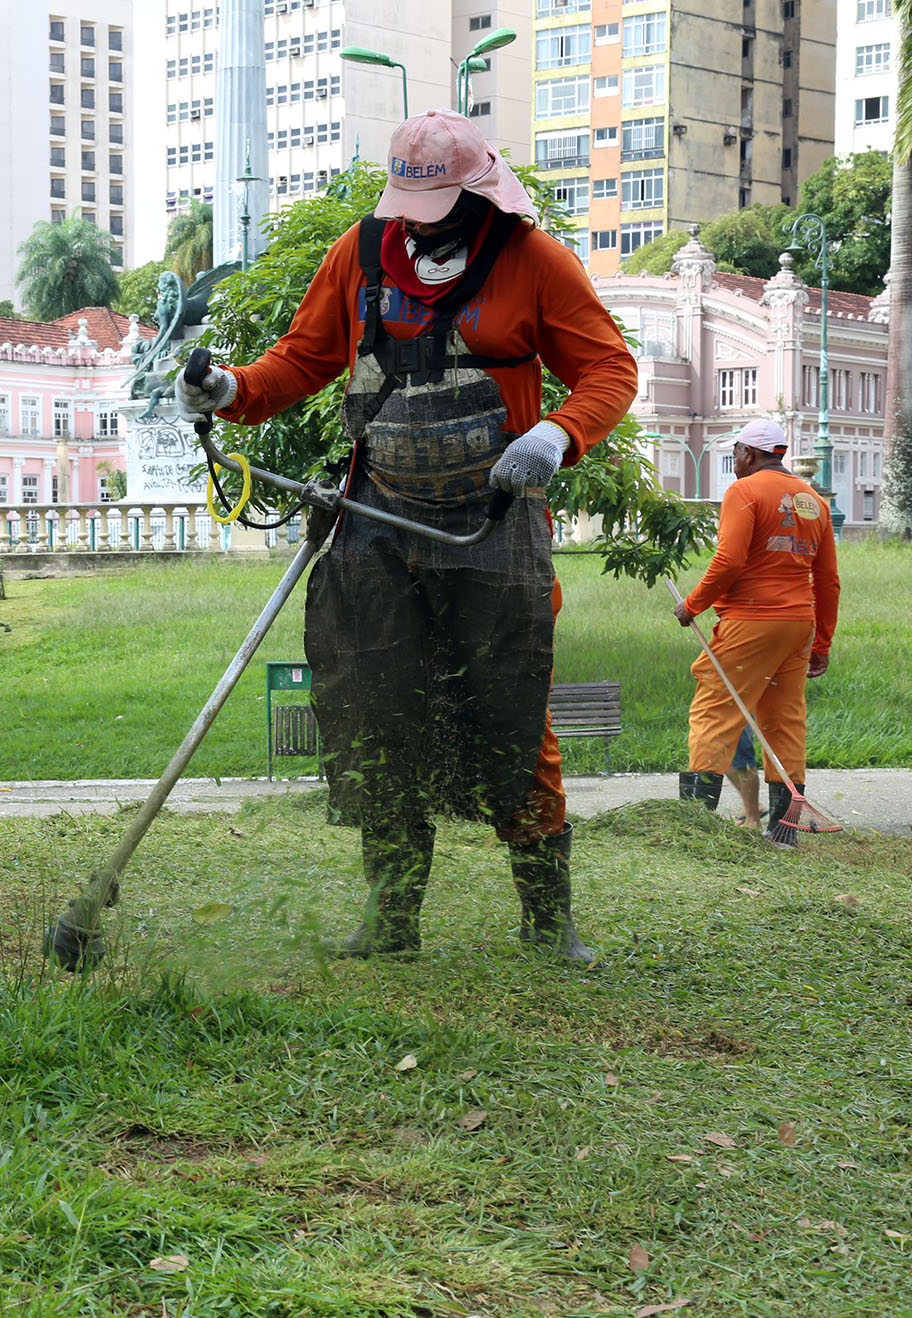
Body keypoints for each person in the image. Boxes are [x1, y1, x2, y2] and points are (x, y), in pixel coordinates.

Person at [177, 110, 638, 962]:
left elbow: (609, 367)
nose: (421, 220)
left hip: (494, 531)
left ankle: (548, 921)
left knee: (512, 710)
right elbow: (302, 359)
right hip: (377, 525)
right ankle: (392, 919)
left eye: (438, 203)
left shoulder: (534, 261)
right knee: (372, 712)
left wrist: (558, 435)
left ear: (477, 191)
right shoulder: (360, 252)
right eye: (410, 203)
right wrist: (234, 388)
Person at [675, 418, 839, 844]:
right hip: (797, 626)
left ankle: (694, 827)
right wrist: (822, 641)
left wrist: (691, 605)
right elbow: (827, 580)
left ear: (749, 453)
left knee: (715, 710)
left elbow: (728, 562)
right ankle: (784, 833)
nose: (734, 464)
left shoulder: (744, 492)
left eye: (735, 455)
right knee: (783, 722)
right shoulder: (813, 501)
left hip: (751, 621)